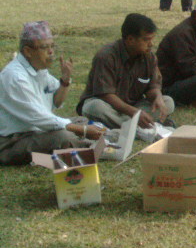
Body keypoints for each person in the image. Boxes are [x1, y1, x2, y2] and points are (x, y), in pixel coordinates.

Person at [0, 21, 104, 166]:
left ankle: (97, 141)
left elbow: (57, 101)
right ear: (28, 51)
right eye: (45, 47)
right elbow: (39, 117)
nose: (51, 52)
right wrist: (82, 130)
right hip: (13, 141)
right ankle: (97, 146)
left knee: (81, 121)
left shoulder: (39, 70)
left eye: (52, 46)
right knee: (64, 136)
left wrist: (65, 81)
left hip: (38, 131)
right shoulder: (15, 77)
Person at [78, 14, 175, 130]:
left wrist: (157, 97)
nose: (151, 44)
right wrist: (134, 113)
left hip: (134, 106)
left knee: (168, 102)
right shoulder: (106, 57)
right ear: (130, 40)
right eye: (146, 40)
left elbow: (152, 87)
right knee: (94, 107)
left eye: (152, 39)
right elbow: (105, 95)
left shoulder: (149, 57)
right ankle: (138, 127)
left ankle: (128, 125)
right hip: (109, 106)